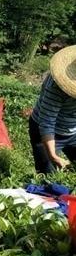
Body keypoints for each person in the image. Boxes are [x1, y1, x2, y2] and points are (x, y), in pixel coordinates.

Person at [29, 45, 76, 173]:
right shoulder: (56, 87)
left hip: (73, 132)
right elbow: (47, 123)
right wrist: (53, 157)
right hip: (47, 132)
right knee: (49, 177)